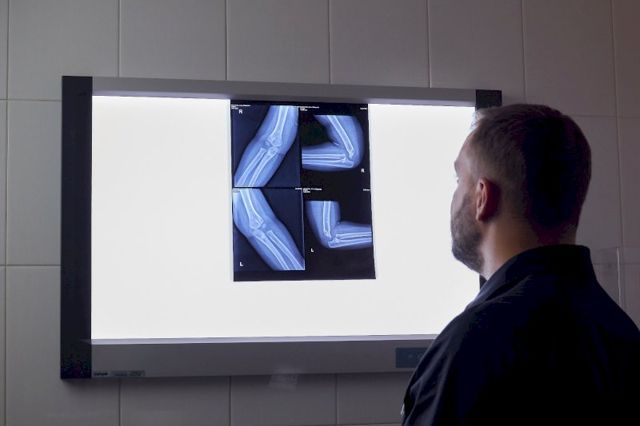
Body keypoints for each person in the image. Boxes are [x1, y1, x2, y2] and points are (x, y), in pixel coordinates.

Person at [401, 104, 640, 425]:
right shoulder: (620, 334)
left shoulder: (473, 345)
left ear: (482, 197)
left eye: (459, 179)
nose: (454, 195)